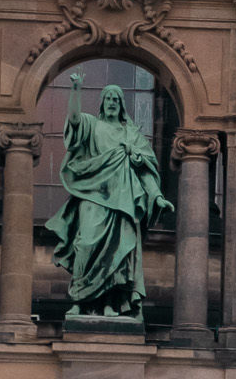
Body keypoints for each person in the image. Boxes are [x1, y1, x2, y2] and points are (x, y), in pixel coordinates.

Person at [46, 76, 171, 321]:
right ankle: (80, 301)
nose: (112, 102)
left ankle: (110, 304)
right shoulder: (92, 125)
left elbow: (145, 171)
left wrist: (156, 196)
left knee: (118, 252)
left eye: (116, 99)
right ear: (102, 103)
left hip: (123, 202)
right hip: (93, 194)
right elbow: (74, 119)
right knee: (85, 244)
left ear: (121, 104)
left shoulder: (131, 134)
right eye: (108, 99)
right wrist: (75, 89)